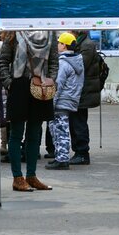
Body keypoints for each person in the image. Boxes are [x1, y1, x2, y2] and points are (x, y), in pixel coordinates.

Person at [0, 30, 58, 192]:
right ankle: (17, 177)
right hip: (18, 86)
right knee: (16, 133)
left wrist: (51, 80)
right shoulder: (13, 33)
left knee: (34, 133)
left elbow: (53, 62)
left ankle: (31, 176)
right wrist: (9, 83)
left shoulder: (50, 34)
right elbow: (3, 62)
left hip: (41, 86)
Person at [45, 32, 84, 171]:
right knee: (60, 128)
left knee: (60, 129)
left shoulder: (63, 62)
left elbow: (58, 84)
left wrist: (51, 102)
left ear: (64, 45)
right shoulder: (77, 60)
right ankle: (60, 156)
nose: (57, 46)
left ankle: (62, 159)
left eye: (59, 43)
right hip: (70, 99)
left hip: (61, 100)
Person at [68, 30, 99, 166]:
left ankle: (82, 153)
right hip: (79, 89)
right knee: (75, 121)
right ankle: (79, 151)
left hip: (82, 90)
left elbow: (80, 66)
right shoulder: (82, 43)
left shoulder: (87, 45)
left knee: (78, 122)